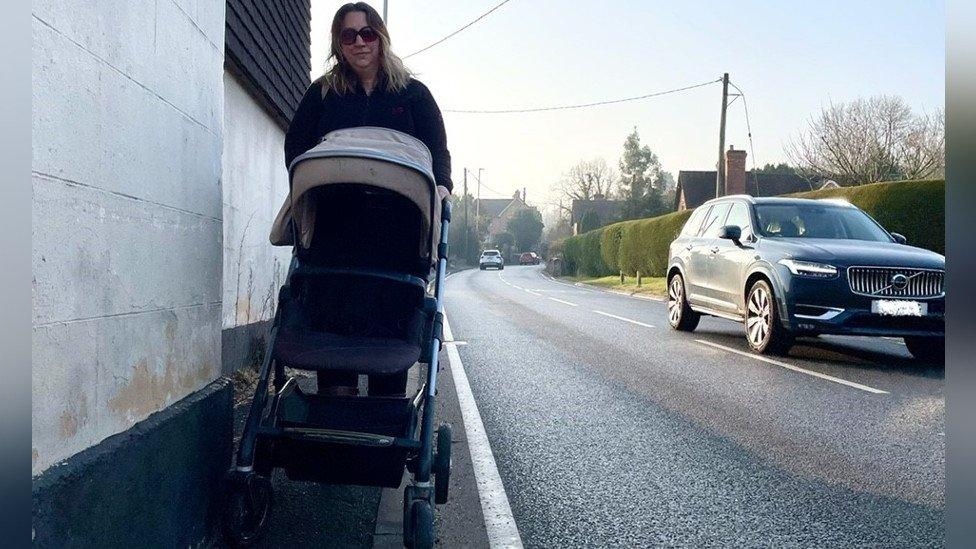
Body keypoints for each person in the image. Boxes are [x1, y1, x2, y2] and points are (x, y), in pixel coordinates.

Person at [284, 2, 453, 398]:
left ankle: (385, 414)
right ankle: (335, 414)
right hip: (336, 227)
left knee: (389, 327)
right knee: (335, 328)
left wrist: (442, 186)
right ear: (338, 44)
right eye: (349, 35)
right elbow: (296, 147)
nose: (360, 42)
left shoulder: (412, 95)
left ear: (380, 36)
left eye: (367, 33)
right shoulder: (323, 93)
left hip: (396, 229)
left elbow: (438, 151)